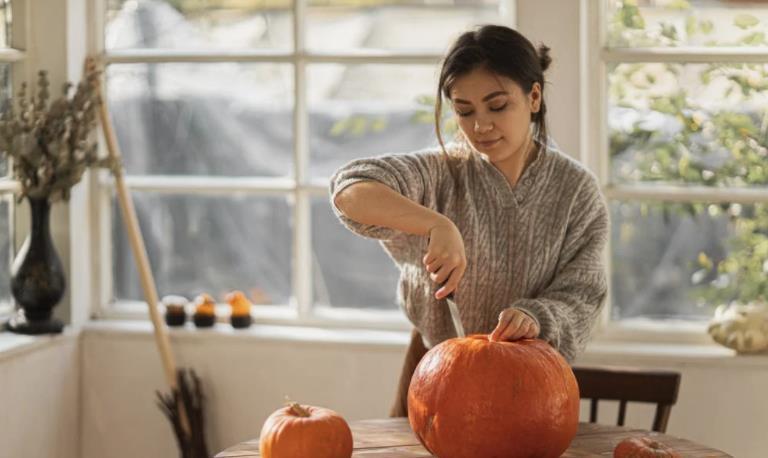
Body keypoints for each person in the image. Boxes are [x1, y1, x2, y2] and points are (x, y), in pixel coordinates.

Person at [329, 24, 609, 417]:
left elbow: (582, 294)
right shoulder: (440, 173)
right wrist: (436, 224)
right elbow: (349, 189)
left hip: (531, 382)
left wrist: (535, 317)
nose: (480, 126)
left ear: (533, 96)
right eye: (464, 111)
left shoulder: (576, 190)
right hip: (436, 370)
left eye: (497, 106)